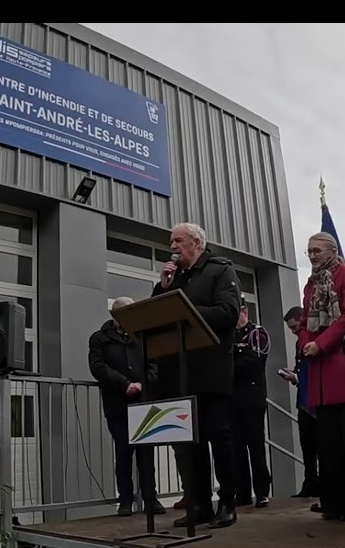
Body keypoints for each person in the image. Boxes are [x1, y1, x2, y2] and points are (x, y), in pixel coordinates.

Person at [153, 222, 242, 528]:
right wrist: (163, 287)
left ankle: (228, 502)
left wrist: (186, 311)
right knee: (190, 444)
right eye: (171, 242)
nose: (173, 247)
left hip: (211, 371)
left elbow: (229, 313)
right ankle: (199, 503)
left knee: (219, 438)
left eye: (178, 240)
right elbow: (157, 314)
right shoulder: (174, 276)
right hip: (179, 374)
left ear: (197, 242)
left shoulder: (220, 270)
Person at [298, 231, 345, 521]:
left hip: (341, 365)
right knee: (326, 442)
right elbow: (303, 322)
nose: (312, 255)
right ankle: (332, 503)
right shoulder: (310, 285)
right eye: (309, 251)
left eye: (317, 250)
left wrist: (322, 343)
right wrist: (304, 345)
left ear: (332, 251)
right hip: (318, 371)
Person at [88, 297, 165, 517]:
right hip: (118, 405)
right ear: (115, 315)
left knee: (146, 454)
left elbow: (154, 364)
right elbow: (98, 367)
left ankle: (151, 498)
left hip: (143, 403)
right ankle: (126, 500)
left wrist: (144, 384)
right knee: (124, 452)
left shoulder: (143, 336)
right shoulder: (100, 339)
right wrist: (124, 385)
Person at [232, 297, 271, 507]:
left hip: (252, 399)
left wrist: (229, 366)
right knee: (236, 449)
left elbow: (254, 361)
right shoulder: (229, 335)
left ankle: (262, 491)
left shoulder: (257, 333)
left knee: (255, 448)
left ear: (245, 312)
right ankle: (243, 493)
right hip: (233, 399)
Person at [281, 306, 320, 498]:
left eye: (295, 327)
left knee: (319, 446)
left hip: (315, 401)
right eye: (291, 329)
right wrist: (295, 377)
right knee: (307, 448)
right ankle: (310, 483)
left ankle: (319, 484)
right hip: (303, 402)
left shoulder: (311, 338)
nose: (294, 332)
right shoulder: (299, 343)